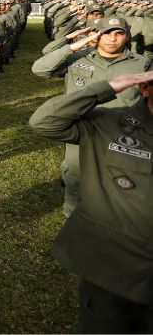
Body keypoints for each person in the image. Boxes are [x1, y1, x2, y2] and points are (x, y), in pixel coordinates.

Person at [29, 70, 153, 333]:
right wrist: (108, 87)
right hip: (114, 265)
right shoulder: (109, 124)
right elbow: (44, 122)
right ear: (145, 88)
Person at [32, 17, 151, 217]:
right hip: (82, 129)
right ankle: (72, 216)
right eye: (106, 33)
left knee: (120, 181)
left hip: (122, 131)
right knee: (75, 175)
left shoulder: (142, 64)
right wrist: (72, 47)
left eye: (118, 33)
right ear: (96, 35)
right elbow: (40, 70)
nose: (112, 38)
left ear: (127, 36)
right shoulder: (78, 58)